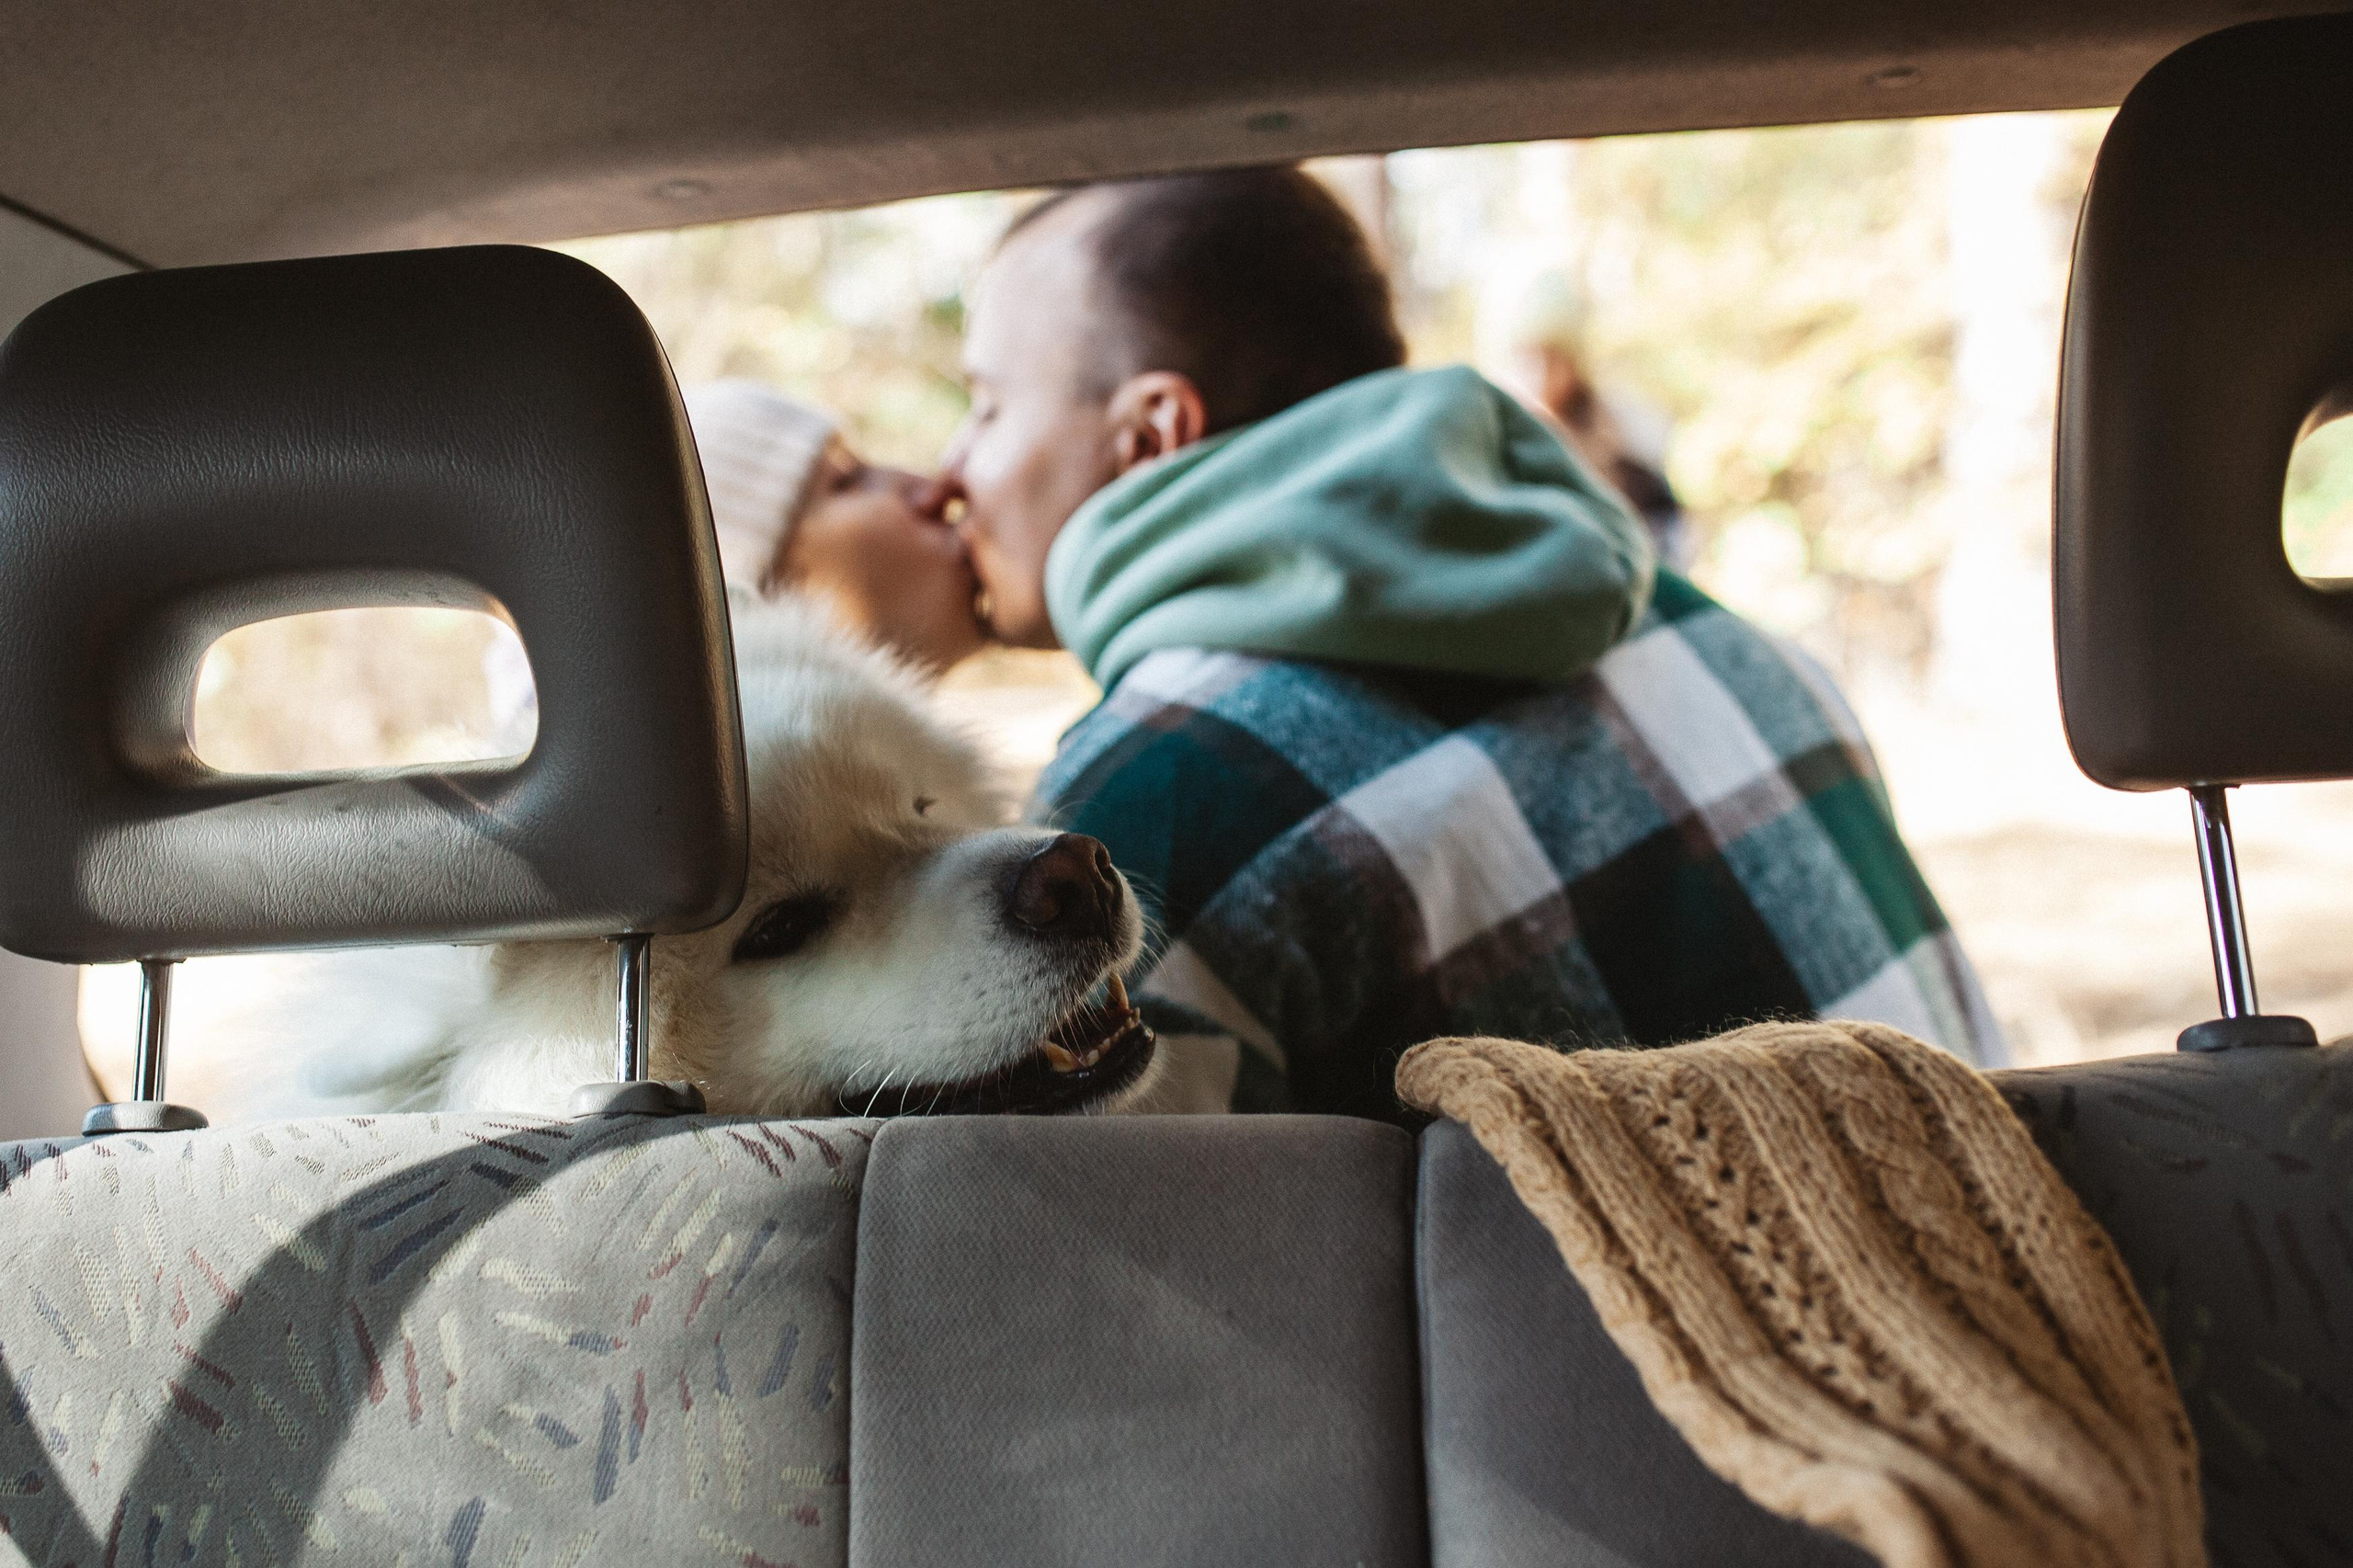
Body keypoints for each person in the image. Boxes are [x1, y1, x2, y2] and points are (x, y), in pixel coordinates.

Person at [922, 165, 2000, 1123]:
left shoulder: (1157, 796)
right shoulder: (1721, 635)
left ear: (1151, 435)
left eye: (984, 404)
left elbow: (1090, 1294)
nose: (948, 470)